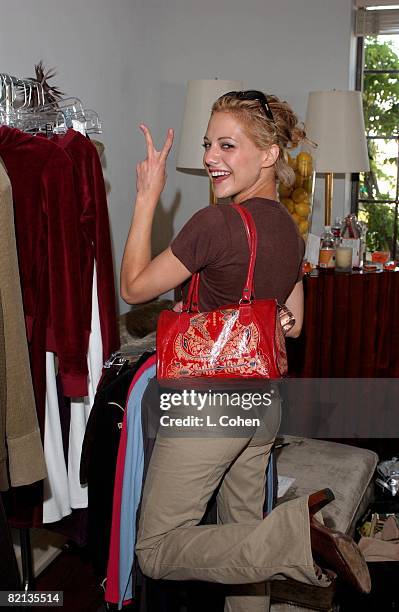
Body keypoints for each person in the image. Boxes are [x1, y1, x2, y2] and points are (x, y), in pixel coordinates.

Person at [120, 90, 370, 611]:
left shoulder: (216, 224)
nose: (212, 156)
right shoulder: (291, 231)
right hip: (262, 401)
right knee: (240, 534)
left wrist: (147, 196)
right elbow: (294, 324)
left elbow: (135, 287)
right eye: (209, 144)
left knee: (157, 549)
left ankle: (293, 540)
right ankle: (279, 543)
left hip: (208, 404)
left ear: (270, 155)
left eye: (228, 145)